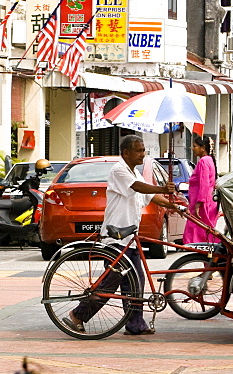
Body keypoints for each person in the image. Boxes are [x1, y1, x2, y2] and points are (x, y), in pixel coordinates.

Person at [61, 135, 178, 336]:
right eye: (139, 150)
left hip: (130, 238)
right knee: (111, 282)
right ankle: (78, 315)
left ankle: (135, 324)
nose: (143, 154)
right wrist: (162, 187)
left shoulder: (134, 172)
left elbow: (149, 195)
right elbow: (138, 188)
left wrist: (173, 204)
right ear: (126, 153)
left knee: (135, 281)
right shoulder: (119, 171)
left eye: (143, 150)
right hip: (116, 237)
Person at [184, 135, 221, 246]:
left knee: (200, 234)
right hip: (207, 202)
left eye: (194, 146)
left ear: (203, 147)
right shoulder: (209, 160)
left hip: (203, 204)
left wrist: (199, 203)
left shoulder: (204, 161)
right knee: (204, 234)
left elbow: (204, 183)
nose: (192, 149)